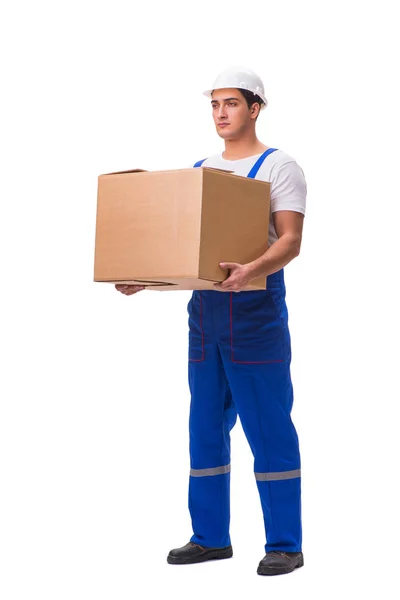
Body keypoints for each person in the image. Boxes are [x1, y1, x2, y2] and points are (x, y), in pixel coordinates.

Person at [115, 66, 307, 577]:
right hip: (204, 314)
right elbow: (186, 251)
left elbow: (290, 240)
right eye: (215, 105)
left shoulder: (278, 166)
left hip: (255, 314)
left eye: (231, 104)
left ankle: (286, 543)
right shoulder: (201, 168)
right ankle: (209, 538)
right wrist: (146, 277)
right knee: (204, 427)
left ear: (255, 108)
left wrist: (252, 271)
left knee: (268, 427)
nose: (221, 113)